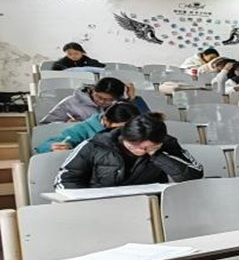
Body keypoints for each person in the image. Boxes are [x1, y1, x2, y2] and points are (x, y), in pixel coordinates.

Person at [55, 115, 203, 189]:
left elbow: (195, 175)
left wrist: (157, 154)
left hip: (150, 204)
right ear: (124, 136)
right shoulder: (95, 145)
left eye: (148, 147)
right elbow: (65, 180)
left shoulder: (167, 144)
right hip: (101, 204)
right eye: (134, 146)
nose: (140, 151)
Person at [35, 102, 141, 154]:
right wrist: (52, 147)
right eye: (119, 129)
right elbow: (45, 146)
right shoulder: (84, 129)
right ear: (106, 120)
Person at [40, 77, 148, 123]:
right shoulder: (71, 103)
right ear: (93, 90)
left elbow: (145, 122)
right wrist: (64, 125)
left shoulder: (121, 104)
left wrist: (132, 99)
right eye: (99, 97)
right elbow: (46, 125)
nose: (101, 102)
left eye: (108, 100)